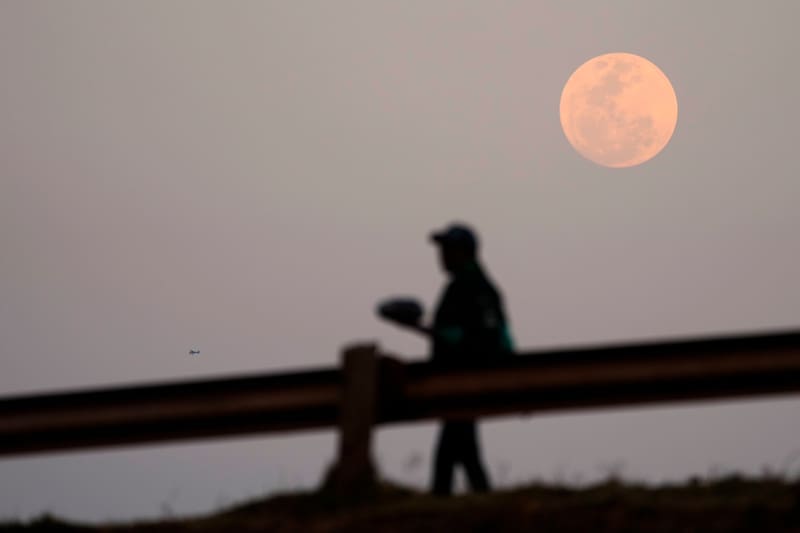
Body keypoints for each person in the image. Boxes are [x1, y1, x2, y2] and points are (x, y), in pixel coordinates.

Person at [378, 223, 514, 495]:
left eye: (447, 249)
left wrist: (423, 327)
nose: (441, 256)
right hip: (458, 384)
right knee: (462, 451)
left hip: (465, 383)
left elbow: (477, 338)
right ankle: (477, 501)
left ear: (464, 252)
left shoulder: (474, 287)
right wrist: (418, 326)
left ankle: (462, 501)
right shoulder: (466, 285)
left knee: (452, 453)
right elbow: (455, 335)